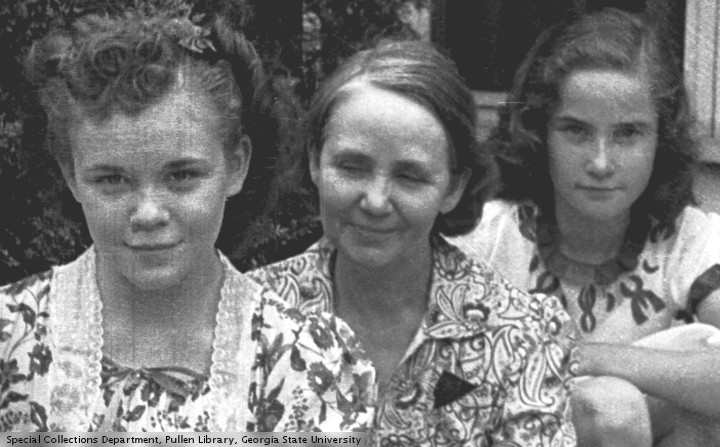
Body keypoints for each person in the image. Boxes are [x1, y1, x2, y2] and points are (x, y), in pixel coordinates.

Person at [245, 40, 577, 444]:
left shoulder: (522, 335)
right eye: (352, 167)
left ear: (454, 187)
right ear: (316, 161)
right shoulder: (247, 317)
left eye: (410, 177)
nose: (376, 201)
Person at [0, 6, 297, 431]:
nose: (148, 213)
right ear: (71, 175)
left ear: (236, 165)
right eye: (112, 179)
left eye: (182, 175)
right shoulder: (10, 336)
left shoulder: (301, 359)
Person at [449, 8, 720, 447]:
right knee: (610, 407)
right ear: (541, 132)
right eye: (576, 131)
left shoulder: (691, 240)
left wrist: (582, 356)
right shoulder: (486, 238)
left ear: (662, 138)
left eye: (628, 133)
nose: (600, 162)